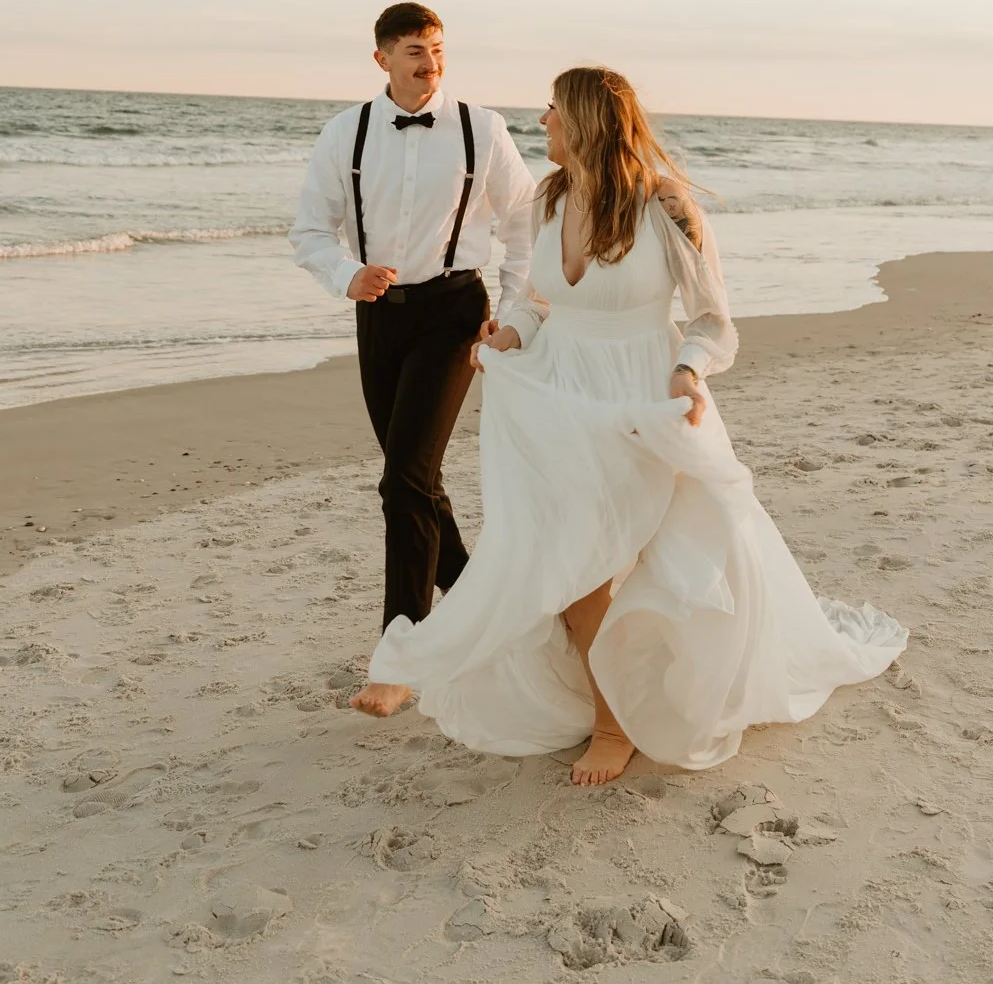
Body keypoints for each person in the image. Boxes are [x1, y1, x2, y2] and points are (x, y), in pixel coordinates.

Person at [365, 64, 908, 783]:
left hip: (637, 398)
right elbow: (539, 300)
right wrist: (509, 335)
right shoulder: (548, 200)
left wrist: (690, 369)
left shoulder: (665, 206)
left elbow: (710, 316)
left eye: (553, 110)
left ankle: (621, 718)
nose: (542, 123)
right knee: (568, 559)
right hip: (558, 396)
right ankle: (600, 712)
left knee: (630, 561)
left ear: (586, 120)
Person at [290, 2, 536, 717]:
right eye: (412, 51)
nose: (428, 63)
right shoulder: (347, 131)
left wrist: (511, 311)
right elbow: (309, 230)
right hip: (379, 316)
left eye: (435, 49)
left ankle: (399, 656)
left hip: (454, 315)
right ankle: (487, 608)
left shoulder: (481, 128)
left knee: (402, 480)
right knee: (416, 483)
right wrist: (346, 276)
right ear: (381, 60)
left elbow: (522, 224)